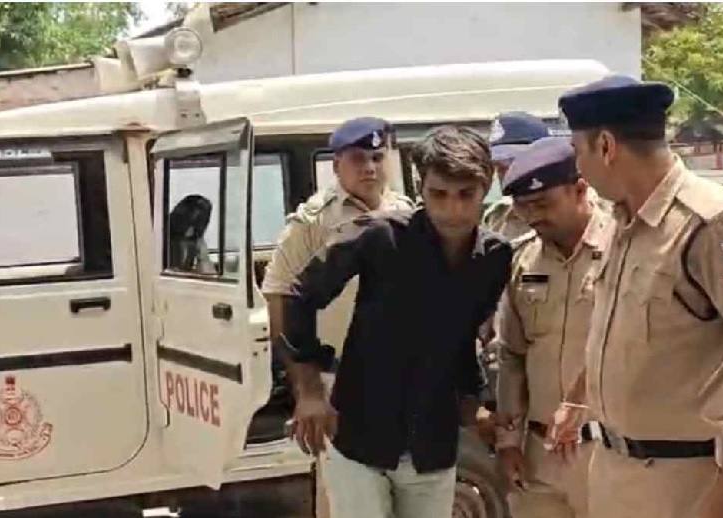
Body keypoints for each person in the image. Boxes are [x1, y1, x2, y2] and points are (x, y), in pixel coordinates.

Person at [548, 75, 723, 518]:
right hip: (612, 471)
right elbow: (617, 330)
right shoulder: (621, 220)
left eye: (577, 151)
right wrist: (576, 398)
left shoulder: (711, 224)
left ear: (605, 146)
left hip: (684, 484)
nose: (578, 168)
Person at [275, 125, 514, 518]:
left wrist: (475, 408)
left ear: (485, 189)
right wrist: (309, 391)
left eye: (466, 195)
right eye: (439, 194)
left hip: (432, 443)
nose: (452, 210)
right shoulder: (379, 237)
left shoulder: (494, 257)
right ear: (421, 188)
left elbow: (463, 342)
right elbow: (297, 296)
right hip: (358, 436)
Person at [260, 116, 414, 518]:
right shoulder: (313, 222)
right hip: (337, 380)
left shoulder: (404, 212)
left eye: (377, 158)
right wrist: (306, 388)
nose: (370, 168)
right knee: (348, 500)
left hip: (399, 378)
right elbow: (280, 298)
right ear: (336, 165)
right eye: (359, 159)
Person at [492, 137, 610, 518]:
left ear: (580, 190)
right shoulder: (523, 260)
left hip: (608, 454)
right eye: (524, 207)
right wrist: (508, 441)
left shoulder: (623, 248)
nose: (533, 217)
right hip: (539, 457)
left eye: (543, 204)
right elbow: (511, 354)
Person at [481, 111, 551, 240]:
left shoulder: (567, 212)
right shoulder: (497, 216)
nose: (504, 173)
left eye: (512, 162)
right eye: (498, 165)